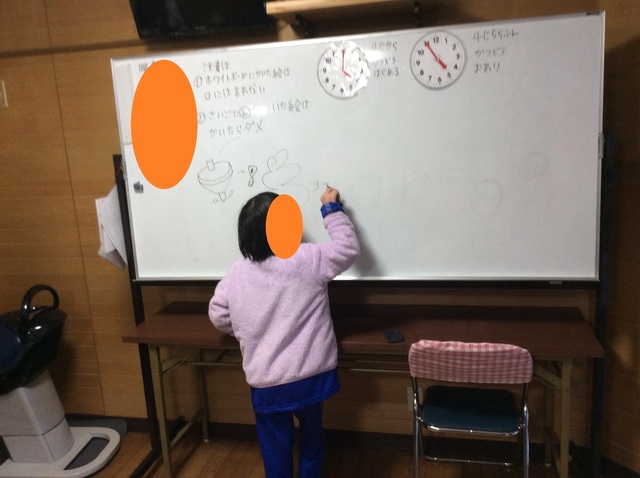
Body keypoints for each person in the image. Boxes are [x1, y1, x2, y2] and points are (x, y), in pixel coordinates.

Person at [209, 187, 360, 478]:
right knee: (312, 440)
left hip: (267, 385)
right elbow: (347, 249)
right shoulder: (308, 258)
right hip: (310, 378)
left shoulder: (237, 273)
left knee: (275, 450)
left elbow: (218, 315)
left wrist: (244, 327)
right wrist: (331, 208)